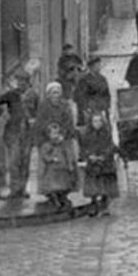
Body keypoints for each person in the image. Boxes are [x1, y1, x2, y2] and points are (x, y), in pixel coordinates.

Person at [0, 64, 37, 199]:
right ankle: (14, 189)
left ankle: (23, 189)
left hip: (28, 132)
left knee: (25, 161)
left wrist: (34, 121)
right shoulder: (12, 94)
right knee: (14, 161)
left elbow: (38, 112)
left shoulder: (34, 95)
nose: (21, 83)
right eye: (19, 80)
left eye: (23, 81)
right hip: (13, 132)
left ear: (28, 82)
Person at [32, 81, 79, 213]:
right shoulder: (43, 107)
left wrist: (62, 135)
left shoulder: (65, 105)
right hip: (48, 141)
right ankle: (51, 194)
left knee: (66, 165)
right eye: (53, 92)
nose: (56, 95)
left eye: (58, 92)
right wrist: (49, 136)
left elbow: (69, 121)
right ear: (48, 94)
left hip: (63, 140)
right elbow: (40, 123)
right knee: (49, 168)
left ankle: (64, 194)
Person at [76, 106, 119, 217]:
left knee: (105, 183)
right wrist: (89, 156)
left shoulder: (106, 133)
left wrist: (104, 155)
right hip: (92, 162)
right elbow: (83, 148)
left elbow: (111, 146)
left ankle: (105, 204)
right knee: (93, 185)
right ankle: (94, 203)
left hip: (105, 162)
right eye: (95, 121)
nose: (97, 123)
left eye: (99, 121)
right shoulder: (86, 134)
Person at [72, 55, 113, 125]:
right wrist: (86, 109)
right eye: (97, 65)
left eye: (99, 64)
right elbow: (79, 97)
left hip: (102, 109)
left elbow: (107, 94)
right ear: (91, 67)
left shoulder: (103, 79)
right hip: (90, 111)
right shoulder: (84, 80)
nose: (99, 67)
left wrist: (106, 106)